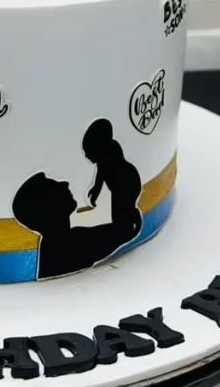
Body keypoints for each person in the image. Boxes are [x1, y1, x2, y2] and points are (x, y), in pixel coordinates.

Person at [11, 119, 143, 279]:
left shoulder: (57, 242)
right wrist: (131, 218)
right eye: (54, 185)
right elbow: (124, 231)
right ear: (48, 208)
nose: (65, 182)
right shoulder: (71, 243)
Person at [82, 118, 142, 247]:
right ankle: (128, 223)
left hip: (126, 185)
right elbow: (100, 174)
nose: (86, 155)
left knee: (120, 213)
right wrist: (95, 189)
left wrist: (96, 190)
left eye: (88, 151)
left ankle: (127, 230)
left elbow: (102, 173)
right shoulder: (105, 156)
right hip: (122, 186)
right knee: (120, 213)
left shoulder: (110, 153)